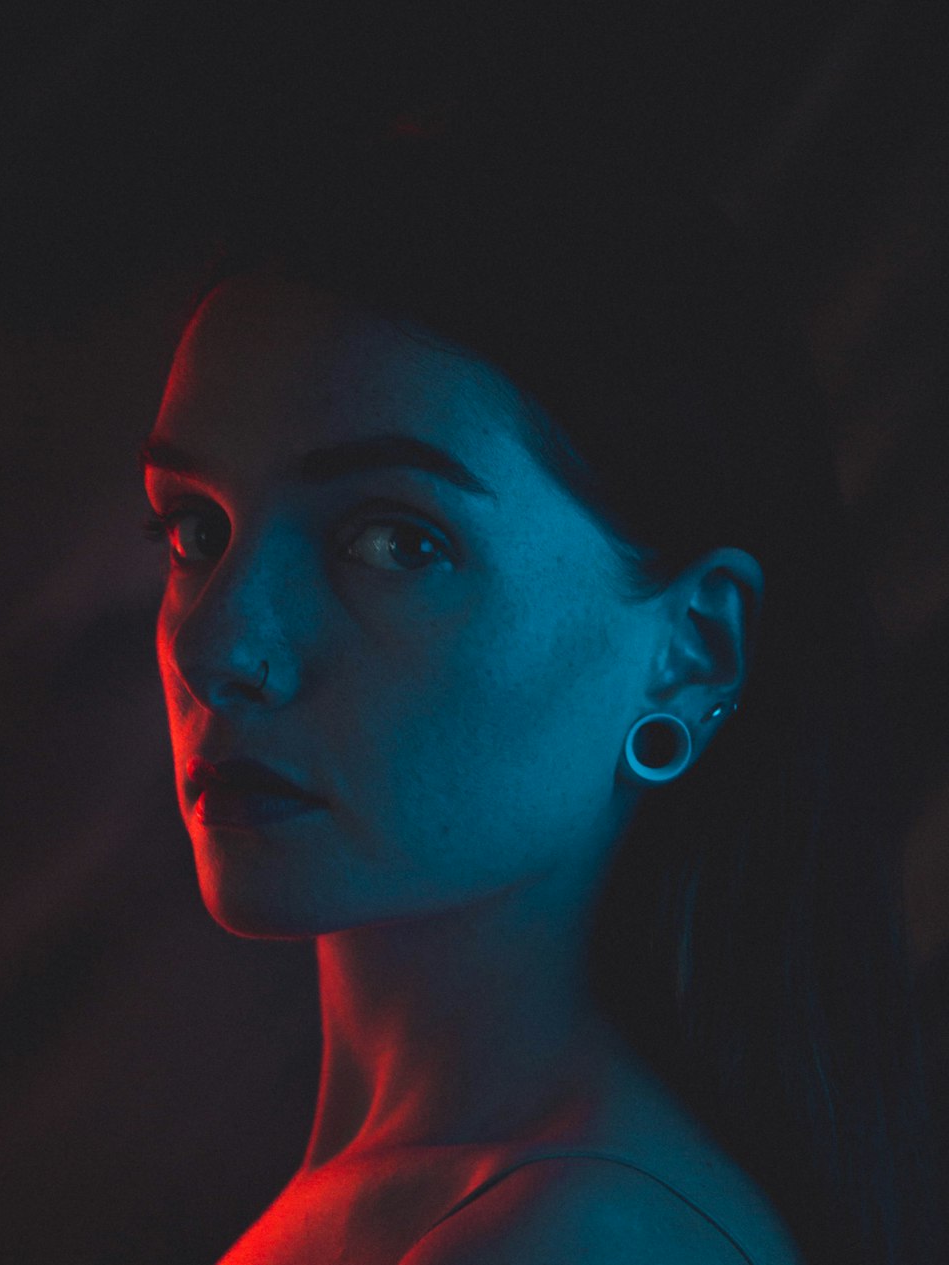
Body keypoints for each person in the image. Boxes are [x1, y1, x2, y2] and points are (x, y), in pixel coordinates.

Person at [138, 118, 941, 1264]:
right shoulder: (416, 1207)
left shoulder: (577, 1238)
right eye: (195, 527)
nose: (219, 641)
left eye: (394, 540)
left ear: (690, 653)